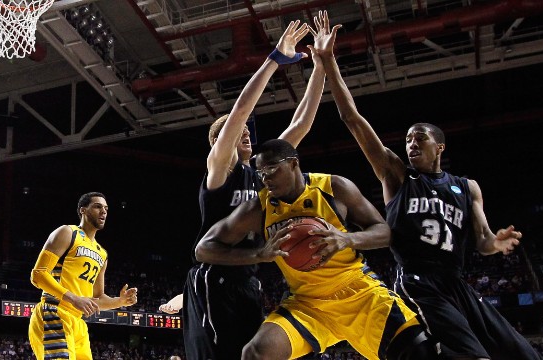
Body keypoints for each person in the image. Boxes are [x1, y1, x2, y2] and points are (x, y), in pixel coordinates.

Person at [316, 9, 543, 360]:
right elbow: (353, 119)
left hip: (456, 283)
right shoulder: (396, 174)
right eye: (407, 139)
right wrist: (329, 61)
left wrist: (496, 244)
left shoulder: (467, 187)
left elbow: (481, 241)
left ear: (439, 147)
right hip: (418, 280)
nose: (410, 143)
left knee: (525, 354)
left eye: (418, 138)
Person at [160, 19, 328, 360]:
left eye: (249, 133)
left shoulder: (264, 174)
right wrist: (275, 60)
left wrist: (322, 64)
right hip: (214, 276)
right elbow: (239, 112)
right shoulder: (220, 171)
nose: (247, 134)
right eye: (238, 134)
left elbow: (302, 123)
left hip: (249, 279)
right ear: (220, 144)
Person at [196, 138, 438, 360]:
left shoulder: (334, 187)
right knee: (256, 353)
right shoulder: (258, 208)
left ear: (293, 163)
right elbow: (203, 249)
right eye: (260, 173)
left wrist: (346, 239)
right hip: (307, 303)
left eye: (271, 169)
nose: (265, 178)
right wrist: (258, 255)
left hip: (361, 293)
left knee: (420, 350)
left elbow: (384, 232)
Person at [28, 192, 138, 360]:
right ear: (83, 210)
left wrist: (120, 301)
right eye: (97, 206)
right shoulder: (67, 233)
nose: (103, 212)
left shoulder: (102, 254)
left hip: (78, 322)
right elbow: (38, 275)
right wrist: (73, 299)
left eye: (106, 208)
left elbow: (97, 298)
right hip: (55, 312)